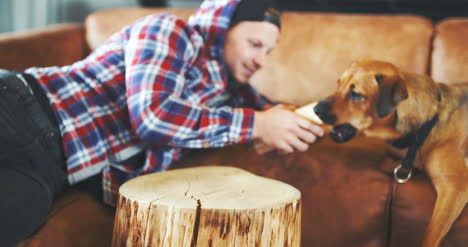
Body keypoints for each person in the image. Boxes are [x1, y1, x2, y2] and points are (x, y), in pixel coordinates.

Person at [0, 0, 323, 244]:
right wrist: (259, 125)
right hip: (23, 107)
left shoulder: (233, 95)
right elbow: (153, 115)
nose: (260, 61)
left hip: (54, 169)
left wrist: (328, 119)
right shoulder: (171, 31)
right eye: (254, 44)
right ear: (220, 26)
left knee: (12, 220)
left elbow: (289, 115)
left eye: (268, 51)